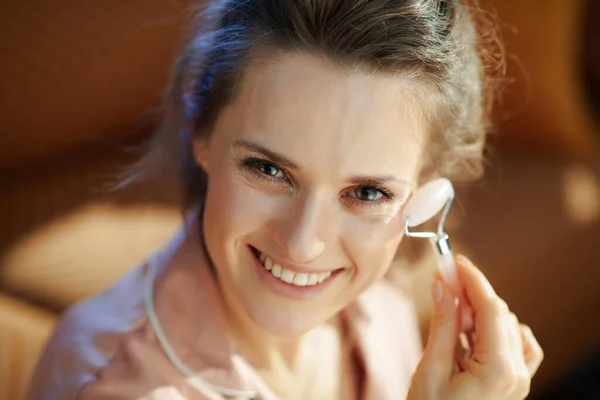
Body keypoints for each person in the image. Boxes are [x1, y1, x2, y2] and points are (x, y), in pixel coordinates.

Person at [28, 0, 543, 399]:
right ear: (201, 127)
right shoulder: (117, 387)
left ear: (425, 190)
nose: (302, 245)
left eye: (366, 193)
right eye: (269, 169)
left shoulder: (379, 313)